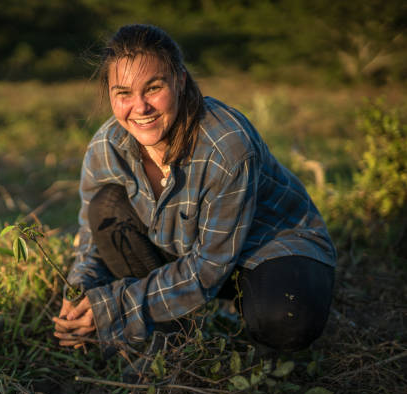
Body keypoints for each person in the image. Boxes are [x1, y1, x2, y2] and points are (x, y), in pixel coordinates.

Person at [52, 24, 336, 358]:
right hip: (191, 253)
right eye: (124, 94)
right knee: (105, 208)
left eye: (153, 88)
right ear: (110, 95)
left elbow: (208, 270)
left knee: (285, 318)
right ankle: (172, 341)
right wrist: (79, 297)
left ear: (180, 80)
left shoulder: (227, 146)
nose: (140, 107)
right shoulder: (106, 146)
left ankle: (264, 359)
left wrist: (115, 306)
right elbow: (91, 240)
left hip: (267, 249)